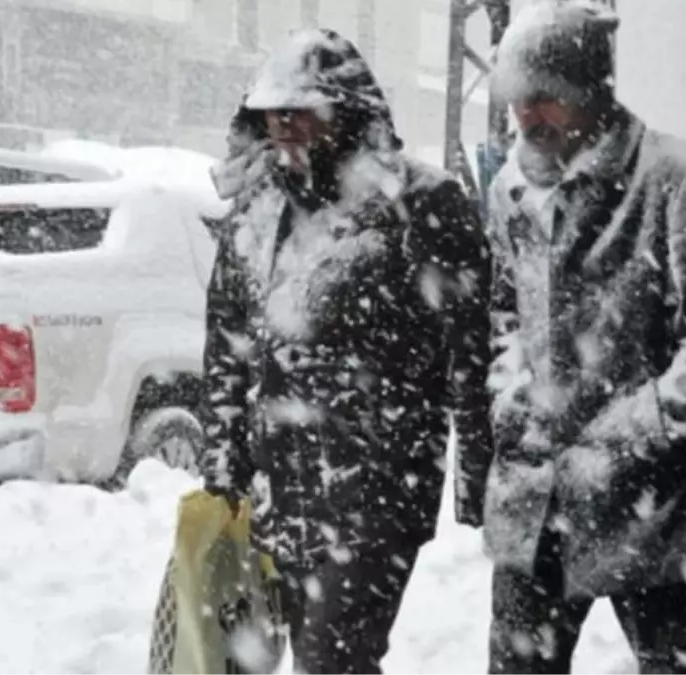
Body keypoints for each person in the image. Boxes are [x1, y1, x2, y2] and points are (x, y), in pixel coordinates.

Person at [471, 4, 686, 674]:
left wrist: (624, 437)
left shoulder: (682, 180)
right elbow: (503, 315)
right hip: (534, 503)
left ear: (589, 88)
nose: (526, 117)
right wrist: (511, 395)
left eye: (543, 98)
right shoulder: (511, 189)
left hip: (654, 509)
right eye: (517, 101)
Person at [199, 28, 493, 675]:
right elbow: (227, 341)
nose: (284, 123)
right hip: (282, 484)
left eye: (301, 108)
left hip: (378, 486)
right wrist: (223, 464)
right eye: (274, 110)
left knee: (331, 658)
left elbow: (472, 345)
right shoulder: (257, 208)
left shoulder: (420, 203)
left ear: (347, 109)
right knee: (327, 658)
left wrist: (481, 474)